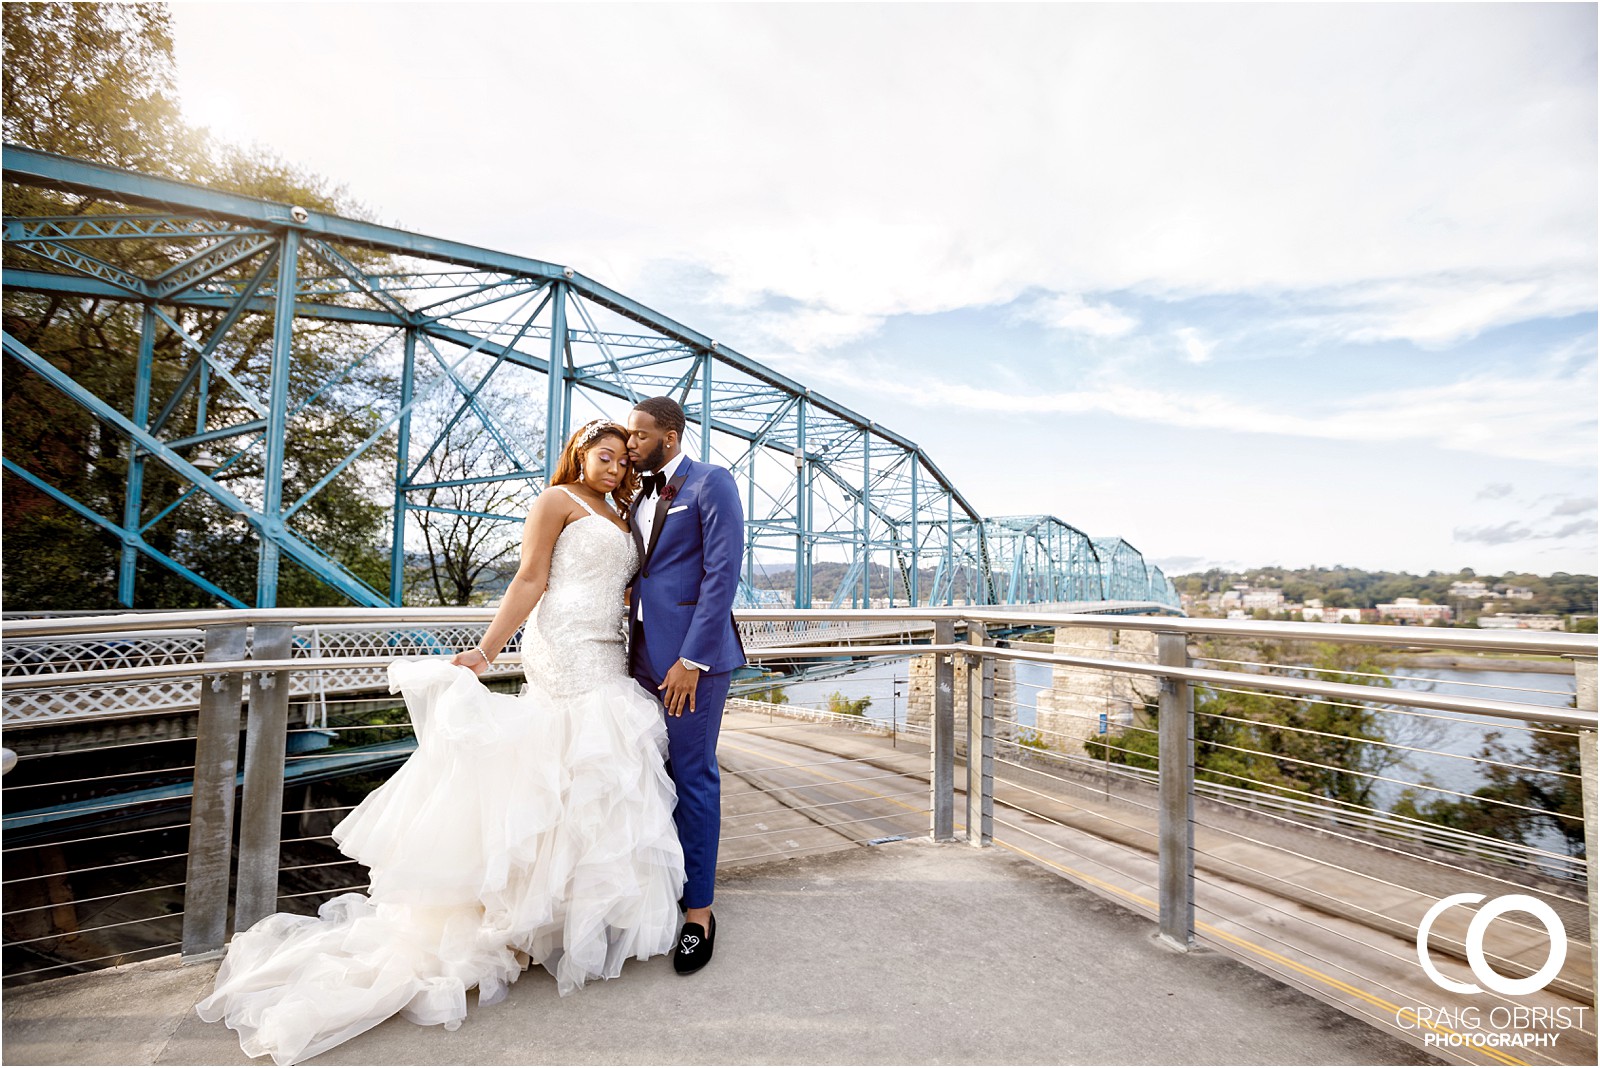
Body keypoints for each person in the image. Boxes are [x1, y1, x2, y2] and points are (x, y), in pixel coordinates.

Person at [196, 419, 685, 1066]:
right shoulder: (556, 500)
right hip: (562, 644)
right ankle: (528, 918)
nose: (617, 468)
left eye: (624, 461)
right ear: (579, 454)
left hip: (606, 644)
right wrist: (487, 650)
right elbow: (531, 580)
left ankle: (561, 919)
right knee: (568, 754)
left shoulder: (615, 509)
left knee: (589, 772)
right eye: (605, 456)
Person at [625, 396, 746, 974]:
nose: (630, 445)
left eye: (639, 435)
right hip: (640, 656)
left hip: (690, 661)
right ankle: (660, 888)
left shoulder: (710, 482)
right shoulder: (638, 494)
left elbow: (723, 572)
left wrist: (693, 659)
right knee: (645, 775)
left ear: (669, 437)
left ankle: (699, 912)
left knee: (692, 776)